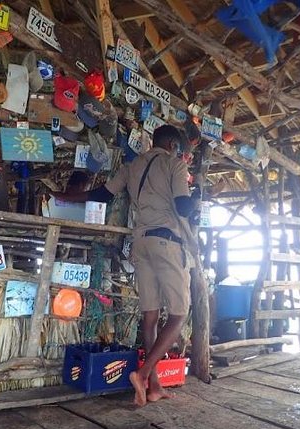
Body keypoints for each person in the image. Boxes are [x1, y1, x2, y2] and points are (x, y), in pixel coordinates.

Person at [52, 125, 199, 406]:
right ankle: (142, 374)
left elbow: (102, 195)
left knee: (150, 317)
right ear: (173, 146)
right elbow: (183, 207)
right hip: (167, 243)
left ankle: (154, 385)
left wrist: (66, 196)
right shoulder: (174, 165)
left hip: (141, 244)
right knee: (179, 314)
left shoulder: (132, 166)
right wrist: (197, 197)